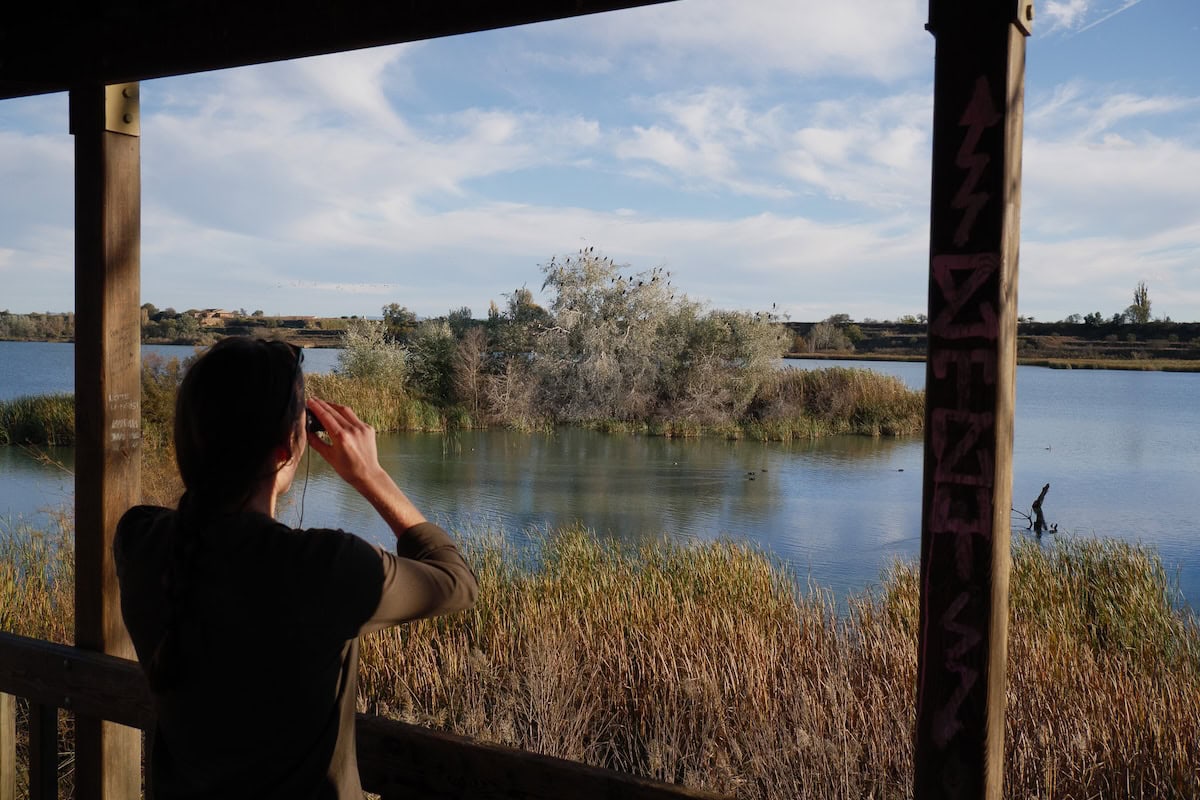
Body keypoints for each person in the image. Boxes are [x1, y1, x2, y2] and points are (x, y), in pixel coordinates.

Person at [114, 337, 478, 799]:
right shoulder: (323, 569)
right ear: (287, 447)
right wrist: (371, 476)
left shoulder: (139, 540)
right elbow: (455, 582)